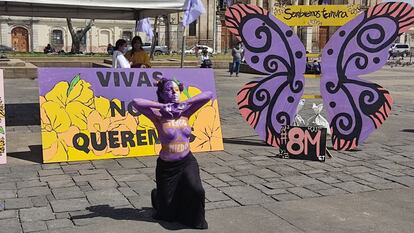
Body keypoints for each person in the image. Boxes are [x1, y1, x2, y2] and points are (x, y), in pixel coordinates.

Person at [133, 78, 212, 229]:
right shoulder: (157, 115)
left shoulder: (186, 111)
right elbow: (136, 102)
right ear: (162, 93)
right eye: (169, 90)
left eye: (176, 90)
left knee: (197, 190)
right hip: (167, 167)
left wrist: (184, 104)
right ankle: (157, 196)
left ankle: (194, 218)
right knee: (166, 215)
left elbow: (208, 95)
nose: (174, 93)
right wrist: (163, 106)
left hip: (187, 161)